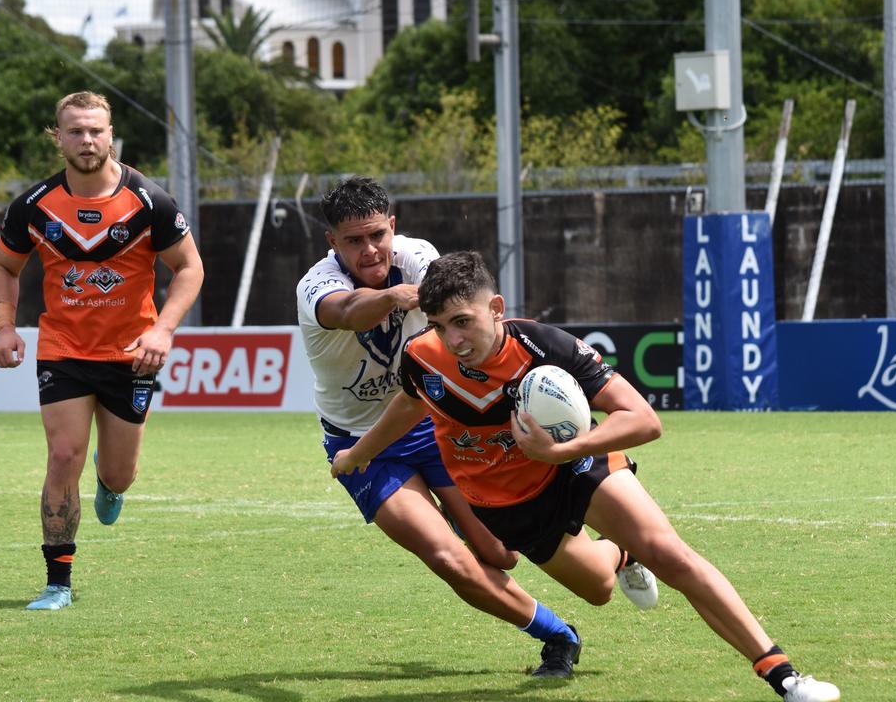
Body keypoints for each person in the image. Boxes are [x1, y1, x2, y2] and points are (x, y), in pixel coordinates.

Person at [332, 251, 842, 701]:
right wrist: (359, 452)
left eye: (463, 321)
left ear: (496, 308)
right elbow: (409, 404)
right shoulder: (423, 357)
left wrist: (566, 449)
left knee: (670, 554)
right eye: (441, 324)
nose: (454, 338)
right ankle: (620, 553)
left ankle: (784, 676)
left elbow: (643, 419)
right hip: (507, 507)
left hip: (576, 464)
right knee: (599, 589)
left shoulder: (545, 348)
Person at [298, 177, 653, 678]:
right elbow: (349, 313)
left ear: (392, 227)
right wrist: (397, 297)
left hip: (437, 422)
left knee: (501, 554)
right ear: (333, 242)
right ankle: (557, 636)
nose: (370, 249)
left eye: (377, 234)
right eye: (353, 240)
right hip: (363, 442)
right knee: (447, 557)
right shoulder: (316, 284)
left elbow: (467, 316)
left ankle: (621, 549)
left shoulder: (419, 256)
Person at [0, 91, 204, 611]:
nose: (87, 140)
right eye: (76, 131)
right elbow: (3, 269)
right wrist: (4, 328)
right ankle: (57, 582)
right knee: (64, 455)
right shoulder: (34, 207)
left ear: (111, 136)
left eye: (96, 131)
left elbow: (190, 268)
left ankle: (112, 481)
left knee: (117, 473)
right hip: (62, 350)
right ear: (57, 137)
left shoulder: (150, 202)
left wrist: (163, 331)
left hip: (132, 353)